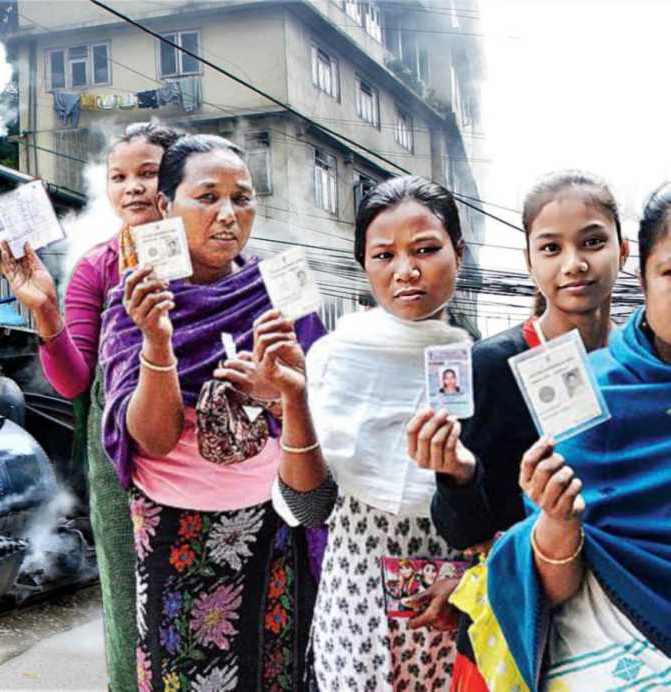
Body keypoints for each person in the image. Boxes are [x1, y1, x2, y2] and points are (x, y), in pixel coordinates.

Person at [99, 134, 326, 691]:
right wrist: (157, 344)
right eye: (207, 197)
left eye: (242, 198)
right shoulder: (136, 304)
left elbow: (324, 420)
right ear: (164, 207)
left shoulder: (277, 293)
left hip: (273, 531)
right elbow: (152, 440)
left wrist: (279, 397)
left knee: (273, 673)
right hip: (175, 534)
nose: (228, 215)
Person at [418, 170, 627, 690]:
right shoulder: (491, 365)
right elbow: (463, 532)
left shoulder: (640, 362)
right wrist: (458, 475)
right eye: (551, 248)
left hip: (626, 614)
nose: (574, 264)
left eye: (593, 242)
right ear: (530, 262)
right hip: (522, 619)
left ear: (624, 249)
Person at [264, 176, 469, 689]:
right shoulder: (334, 358)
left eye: (425, 249)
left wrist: (469, 578)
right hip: (356, 611)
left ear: (458, 253)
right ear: (364, 266)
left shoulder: (484, 363)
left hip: (462, 607)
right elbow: (310, 509)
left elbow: (512, 509)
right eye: (384, 256)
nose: (406, 271)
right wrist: (293, 399)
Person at [0, 121, 179, 691]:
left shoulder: (217, 258)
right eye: (118, 177)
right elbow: (77, 382)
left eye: (147, 173)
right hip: (129, 466)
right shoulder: (98, 266)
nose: (131, 188)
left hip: (215, 456)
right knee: (132, 607)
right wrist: (46, 312)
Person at [486, 182, 671, 690]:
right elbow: (558, 583)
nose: (573, 263)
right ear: (645, 276)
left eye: (591, 243)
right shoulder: (592, 392)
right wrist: (558, 520)